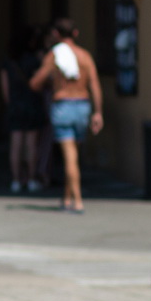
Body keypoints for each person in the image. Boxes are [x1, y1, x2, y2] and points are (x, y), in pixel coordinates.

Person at [30, 17, 103, 213]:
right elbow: (94, 85)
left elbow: (35, 82)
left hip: (63, 105)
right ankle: (67, 198)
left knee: (69, 156)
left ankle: (77, 200)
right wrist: (98, 112)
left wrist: (51, 82)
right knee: (74, 155)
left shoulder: (55, 56)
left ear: (55, 34)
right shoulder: (85, 56)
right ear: (76, 34)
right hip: (83, 105)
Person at [0, 24, 47, 193]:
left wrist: (11, 104)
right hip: (32, 103)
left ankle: (16, 180)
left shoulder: (9, 61)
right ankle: (32, 179)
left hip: (15, 104)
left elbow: (5, 88)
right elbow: (40, 84)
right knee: (31, 145)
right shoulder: (35, 59)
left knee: (16, 144)